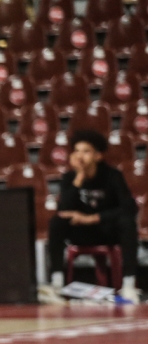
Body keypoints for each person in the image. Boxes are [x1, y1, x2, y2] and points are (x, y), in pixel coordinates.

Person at [45, 129, 138, 301]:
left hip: (107, 231)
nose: (80, 156)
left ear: (98, 156)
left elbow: (129, 208)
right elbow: (64, 209)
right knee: (56, 222)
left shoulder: (112, 176)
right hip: (81, 233)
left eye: (86, 151)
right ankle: (57, 283)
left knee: (127, 222)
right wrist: (79, 177)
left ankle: (129, 285)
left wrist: (93, 218)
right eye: (77, 151)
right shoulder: (70, 177)